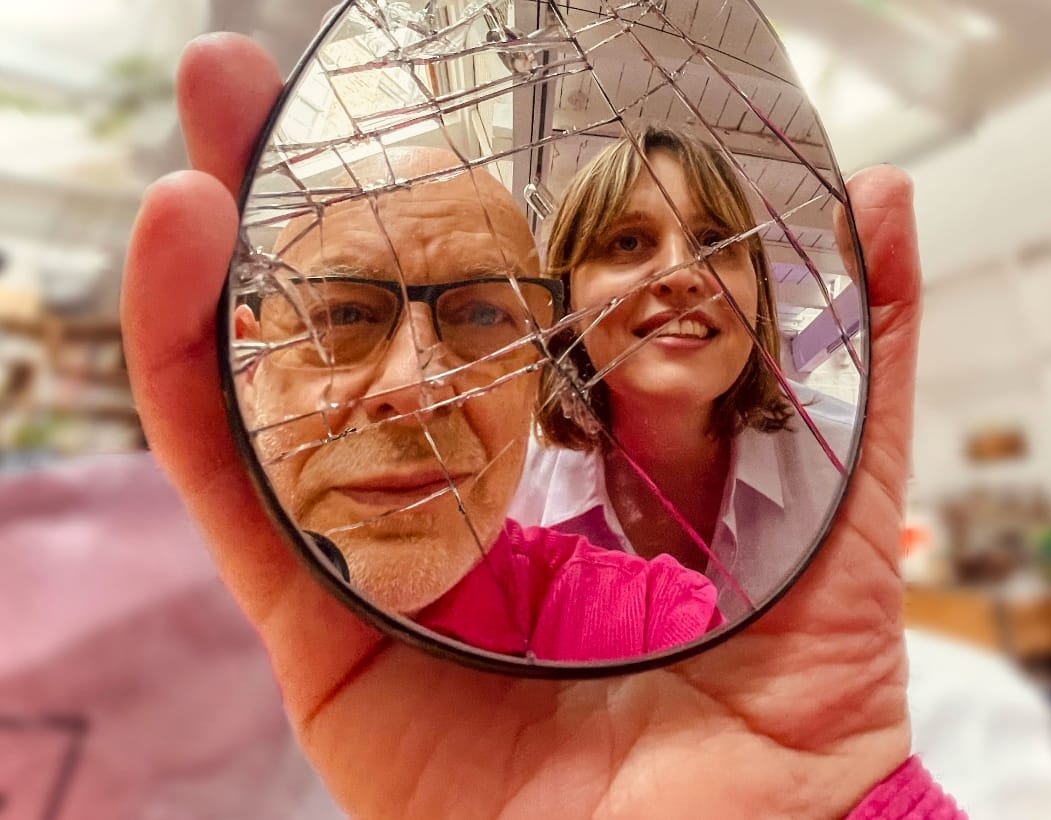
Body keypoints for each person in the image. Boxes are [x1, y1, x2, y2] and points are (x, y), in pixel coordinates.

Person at [122, 32, 960, 819]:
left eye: (480, 314)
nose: (681, 273)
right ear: (564, 319)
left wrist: (837, 800)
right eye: (343, 313)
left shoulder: (737, 546)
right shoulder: (119, 645)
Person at [228, 147, 721, 661]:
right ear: (250, 364)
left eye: (484, 317)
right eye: (345, 316)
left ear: (536, 368)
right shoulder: (151, 618)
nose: (414, 389)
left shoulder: (649, 631)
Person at [511, 125, 856, 614]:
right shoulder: (503, 497)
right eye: (628, 242)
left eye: (716, 243)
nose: (680, 275)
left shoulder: (853, 472)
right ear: (563, 301)